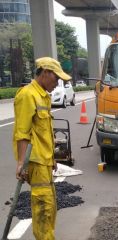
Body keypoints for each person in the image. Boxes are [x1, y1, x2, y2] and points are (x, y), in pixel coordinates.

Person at [13, 57, 71, 240]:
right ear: (45, 73)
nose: (57, 83)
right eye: (56, 79)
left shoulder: (42, 95)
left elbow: (43, 132)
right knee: (43, 207)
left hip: (45, 161)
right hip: (35, 162)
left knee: (50, 205)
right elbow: (22, 133)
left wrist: (52, 158)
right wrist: (22, 163)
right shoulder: (27, 95)